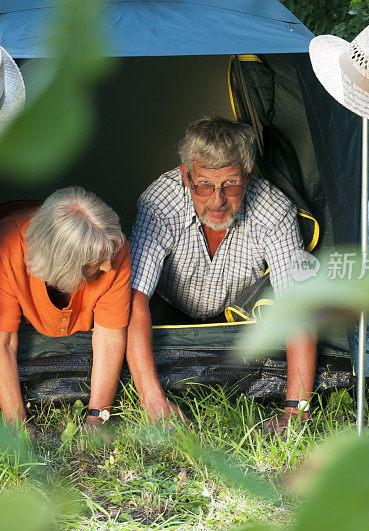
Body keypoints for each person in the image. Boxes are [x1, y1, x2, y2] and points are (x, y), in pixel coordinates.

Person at [126, 116, 317, 434]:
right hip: (166, 306)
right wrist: (153, 401)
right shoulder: (159, 203)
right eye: (204, 185)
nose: (217, 201)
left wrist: (295, 410)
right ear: (186, 176)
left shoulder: (275, 210)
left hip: (239, 315)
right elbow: (133, 298)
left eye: (231, 184)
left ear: (249, 175)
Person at [0, 187, 131, 428]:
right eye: (96, 264)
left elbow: (110, 339)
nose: (109, 267)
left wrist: (97, 418)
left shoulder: (112, 247)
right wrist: (16, 424)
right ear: (65, 268)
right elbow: (2, 344)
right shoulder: (9, 246)